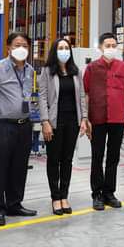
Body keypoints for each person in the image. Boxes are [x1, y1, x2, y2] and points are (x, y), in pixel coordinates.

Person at [0, 32, 37, 226]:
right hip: (2, 124)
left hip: (24, 124)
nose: (21, 48)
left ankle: (14, 204)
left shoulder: (30, 70)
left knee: (19, 167)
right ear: (8, 47)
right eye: (17, 45)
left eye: (25, 45)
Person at [83, 32, 124, 211]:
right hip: (97, 118)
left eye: (114, 45)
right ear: (100, 47)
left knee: (113, 157)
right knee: (97, 157)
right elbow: (86, 94)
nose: (111, 48)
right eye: (108, 45)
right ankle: (97, 194)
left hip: (117, 118)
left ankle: (109, 193)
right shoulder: (91, 68)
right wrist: (86, 119)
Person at [38, 38, 88, 215]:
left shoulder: (76, 71)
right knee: (53, 160)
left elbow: (81, 96)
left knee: (67, 160)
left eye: (67, 47)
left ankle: (64, 195)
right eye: (61, 47)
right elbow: (42, 97)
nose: (64, 50)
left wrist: (84, 118)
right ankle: (55, 197)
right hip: (54, 122)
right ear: (55, 50)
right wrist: (45, 121)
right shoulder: (47, 71)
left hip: (72, 121)